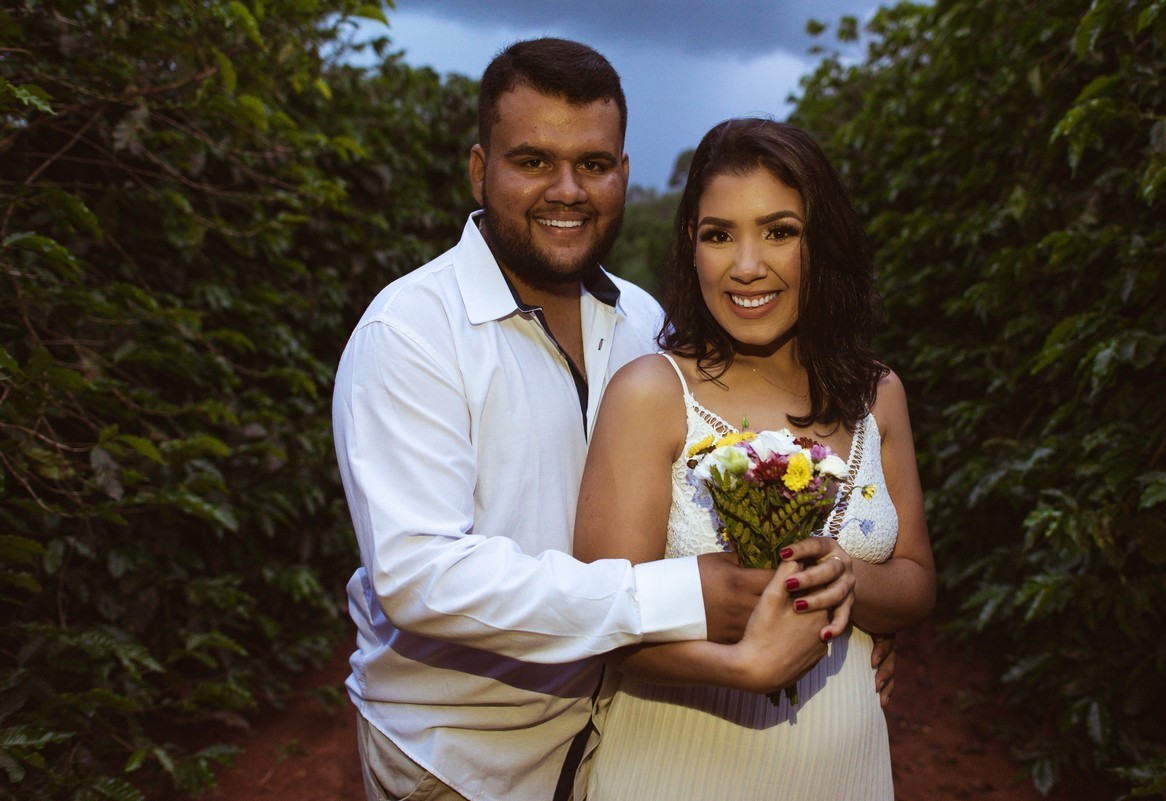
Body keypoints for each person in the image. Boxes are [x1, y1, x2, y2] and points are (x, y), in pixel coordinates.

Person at [331, 40, 884, 801]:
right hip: (459, 760)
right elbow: (418, 574)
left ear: (624, 173)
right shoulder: (411, 332)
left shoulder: (645, 324)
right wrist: (674, 598)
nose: (567, 189)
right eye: (532, 160)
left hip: (614, 743)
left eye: (592, 164)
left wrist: (847, 632)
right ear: (478, 169)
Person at [573, 118, 936, 800]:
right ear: (692, 244)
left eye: (779, 231)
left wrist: (844, 580)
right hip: (678, 769)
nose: (746, 265)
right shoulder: (652, 394)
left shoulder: (877, 395)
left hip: (847, 771)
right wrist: (742, 664)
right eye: (719, 234)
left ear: (820, 240)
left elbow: (916, 579)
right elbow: (600, 622)